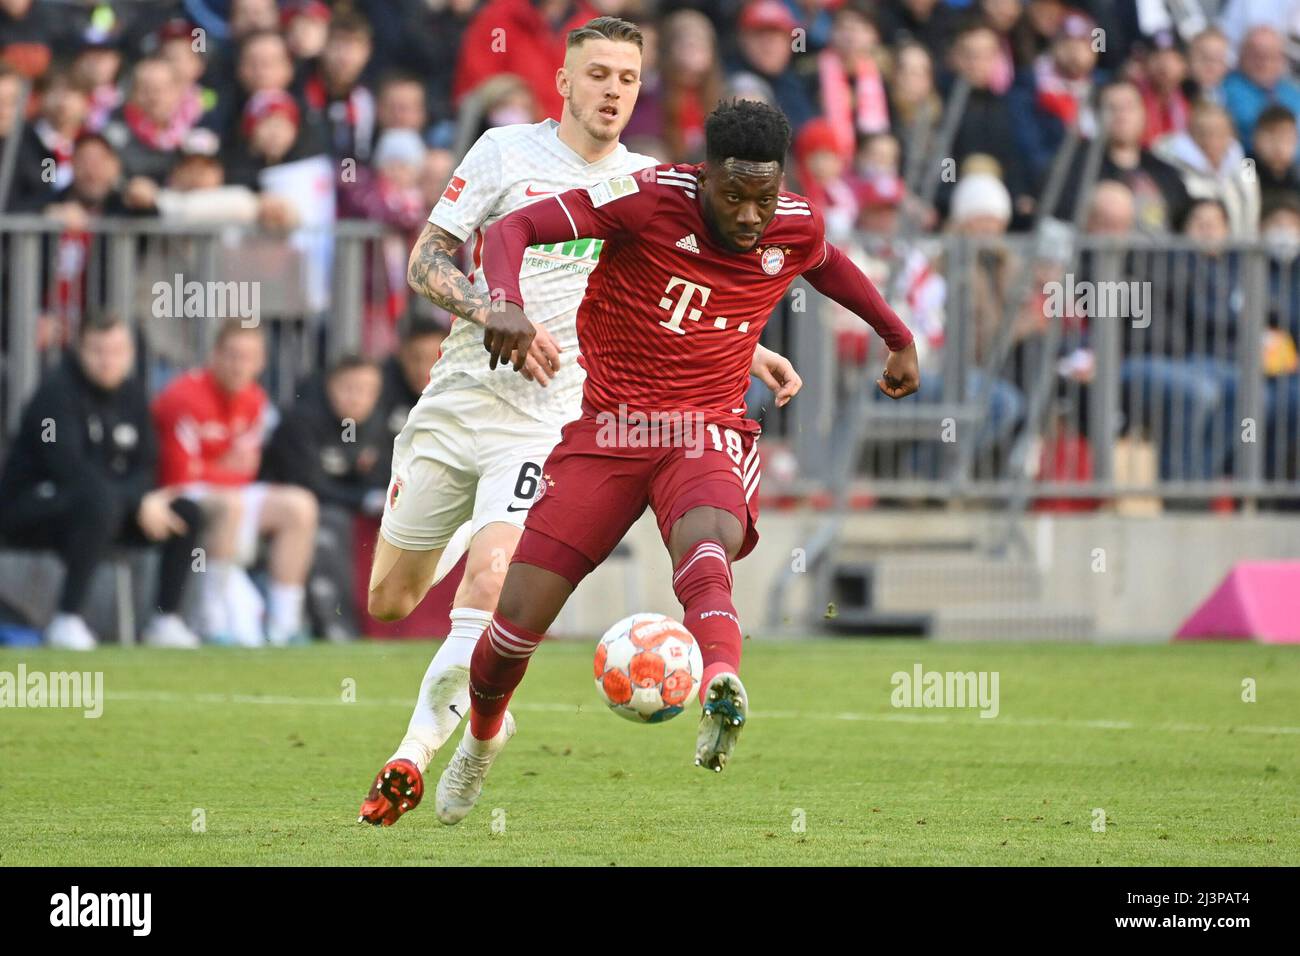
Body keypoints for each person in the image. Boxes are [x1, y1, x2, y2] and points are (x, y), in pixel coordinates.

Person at [358, 17, 802, 827]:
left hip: (555, 417)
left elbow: (685, 305)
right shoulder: (504, 153)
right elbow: (426, 259)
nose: (612, 91)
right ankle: (466, 695)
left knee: (495, 579)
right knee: (390, 598)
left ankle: (421, 751)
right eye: (597, 74)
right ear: (563, 82)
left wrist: (749, 352)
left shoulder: (653, 181)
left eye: (628, 79)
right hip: (460, 399)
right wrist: (495, 308)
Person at [433, 98, 918, 824]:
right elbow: (514, 226)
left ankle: (720, 678)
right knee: (516, 623)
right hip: (610, 432)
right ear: (703, 178)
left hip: (706, 427)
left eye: (763, 196)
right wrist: (502, 302)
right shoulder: (644, 199)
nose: (751, 215)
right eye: (733, 196)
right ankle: (479, 740)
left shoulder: (794, 221)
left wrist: (897, 335)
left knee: (706, 545)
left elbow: (830, 264)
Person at [0, 314, 204, 650]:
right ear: (80, 349)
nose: (107, 360)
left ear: (130, 354)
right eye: (98, 350)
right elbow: (68, 470)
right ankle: (67, 618)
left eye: (117, 351)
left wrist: (143, 499)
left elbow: (146, 465)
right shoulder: (54, 395)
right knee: (98, 502)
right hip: (32, 509)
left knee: (185, 511)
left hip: (104, 509)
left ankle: (166, 619)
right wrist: (137, 501)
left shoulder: (134, 395)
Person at [152, 319, 319, 646]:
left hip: (226, 488)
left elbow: (247, 470)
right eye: (231, 355)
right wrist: (223, 468)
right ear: (214, 355)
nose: (238, 365)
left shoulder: (256, 400)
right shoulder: (182, 397)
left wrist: (214, 466)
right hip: (174, 493)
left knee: (300, 506)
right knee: (230, 504)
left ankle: (284, 624)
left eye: (248, 357)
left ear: (261, 362)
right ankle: (212, 620)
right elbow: (179, 474)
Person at [260, 355, 390, 640]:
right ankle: (331, 624)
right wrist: (362, 499)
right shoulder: (302, 421)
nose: (358, 398)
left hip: (334, 511)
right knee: (330, 521)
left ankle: (384, 624)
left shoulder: (377, 426)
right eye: (350, 388)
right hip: (277, 515)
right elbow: (309, 485)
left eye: (367, 390)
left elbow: (377, 479)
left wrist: (370, 496)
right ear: (331, 386)